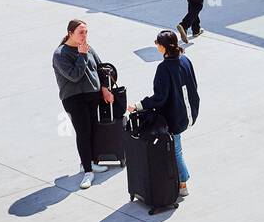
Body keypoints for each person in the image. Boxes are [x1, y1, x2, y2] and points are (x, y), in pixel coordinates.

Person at [129, 29, 200, 199]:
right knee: (177, 147)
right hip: (188, 112)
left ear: (163, 47)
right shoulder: (185, 60)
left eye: (157, 43)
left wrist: (139, 105)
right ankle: (180, 181)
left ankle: (183, 183)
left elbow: (160, 98)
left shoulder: (164, 68)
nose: (155, 45)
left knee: (175, 150)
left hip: (175, 117)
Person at [52, 19, 114, 189]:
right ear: (70, 33)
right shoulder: (60, 54)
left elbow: (101, 68)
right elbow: (74, 76)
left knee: (93, 129)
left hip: (92, 96)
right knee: (83, 132)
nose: (84, 35)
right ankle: (87, 171)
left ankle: (90, 162)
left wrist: (104, 88)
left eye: (86, 32)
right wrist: (82, 55)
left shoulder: (87, 47)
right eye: (81, 32)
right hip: (74, 99)